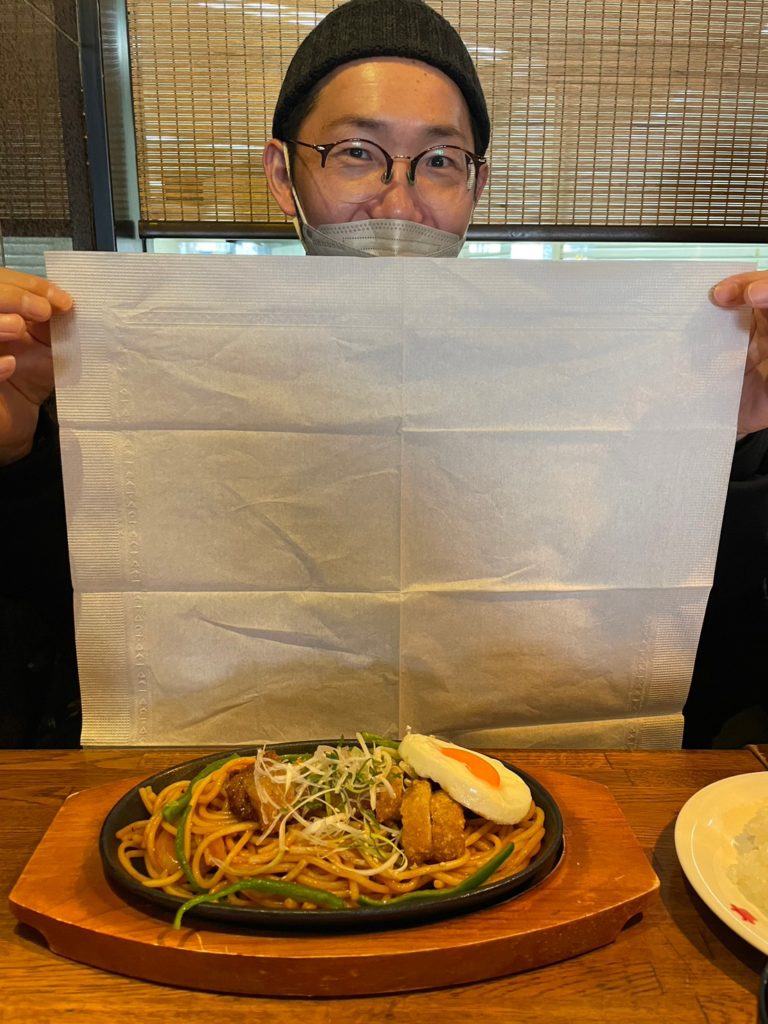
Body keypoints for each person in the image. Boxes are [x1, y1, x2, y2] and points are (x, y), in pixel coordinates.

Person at [1, 0, 767, 747]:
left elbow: (684, 650)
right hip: (236, 794)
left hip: (521, 792)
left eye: (439, 162)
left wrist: (728, 449)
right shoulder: (167, 369)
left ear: (476, 187)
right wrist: (15, 450)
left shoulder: (582, 380)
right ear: (283, 174)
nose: (399, 205)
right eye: (357, 153)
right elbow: (90, 630)